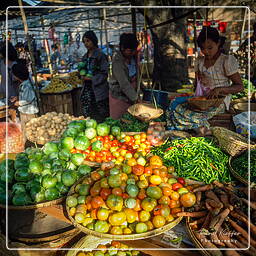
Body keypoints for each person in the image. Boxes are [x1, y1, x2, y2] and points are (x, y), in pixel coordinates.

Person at [166, 26, 243, 136]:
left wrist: (220, 89)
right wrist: (197, 87)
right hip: (201, 100)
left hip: (219, 102)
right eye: (202, 48)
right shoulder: (199, 61)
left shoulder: (226, 61)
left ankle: (202, 130)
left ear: (218, 43)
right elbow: (197, 85)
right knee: (173, 106)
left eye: (210, 47)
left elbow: (240, 86)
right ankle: (196, 129)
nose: (206, 51)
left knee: (190, 115)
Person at [80, 30, 109, 122]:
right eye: (84, 41)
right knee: (89, 114)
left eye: (88, 41)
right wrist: (80, 74)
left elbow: (104, 73)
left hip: (99, 89)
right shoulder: (85, 57)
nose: (86, 43)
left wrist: (92, 78)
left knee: (101, 113)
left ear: (93, 40)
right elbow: (82, 70)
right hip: (87, 89)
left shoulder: (100, 55)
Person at [109, 33, 139, 119]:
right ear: (122, 48)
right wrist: (135, 98)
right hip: (119, 97)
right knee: (120, 121)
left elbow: (137, 76)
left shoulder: (133, 57)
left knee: (131, 120)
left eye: (134, 50)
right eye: (130, 51)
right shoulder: (117, 61)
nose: (132, 53)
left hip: (131, 95)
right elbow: (124, 84)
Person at [10, 61, 39, 142]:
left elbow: (28, 99)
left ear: (17, 75)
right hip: (25, 112)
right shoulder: (24, 83)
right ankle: (27, 143)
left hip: (29, 113)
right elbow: (26, 96)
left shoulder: (27, 85)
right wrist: (17, 98)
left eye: (13, 74)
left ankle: (30, 144)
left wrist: (18, 103)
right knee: (26, 130)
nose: (12, 76)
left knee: (31, 130)